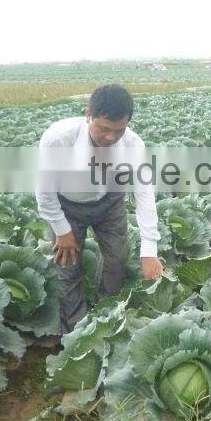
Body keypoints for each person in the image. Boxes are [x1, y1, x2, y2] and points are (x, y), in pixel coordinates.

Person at [36, 84, 163, 334]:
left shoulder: (132, 145)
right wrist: (62, 230)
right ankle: (76, 332)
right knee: (68, 265)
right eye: (103, 128)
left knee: (117, 260)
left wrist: (149, 250)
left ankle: (106, 315)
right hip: (67, 205)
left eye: (118, 130)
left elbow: (144, 193)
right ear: (88, 115)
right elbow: (44, 192)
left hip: (110, 201)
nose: (110, 137)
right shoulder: (58, 139)